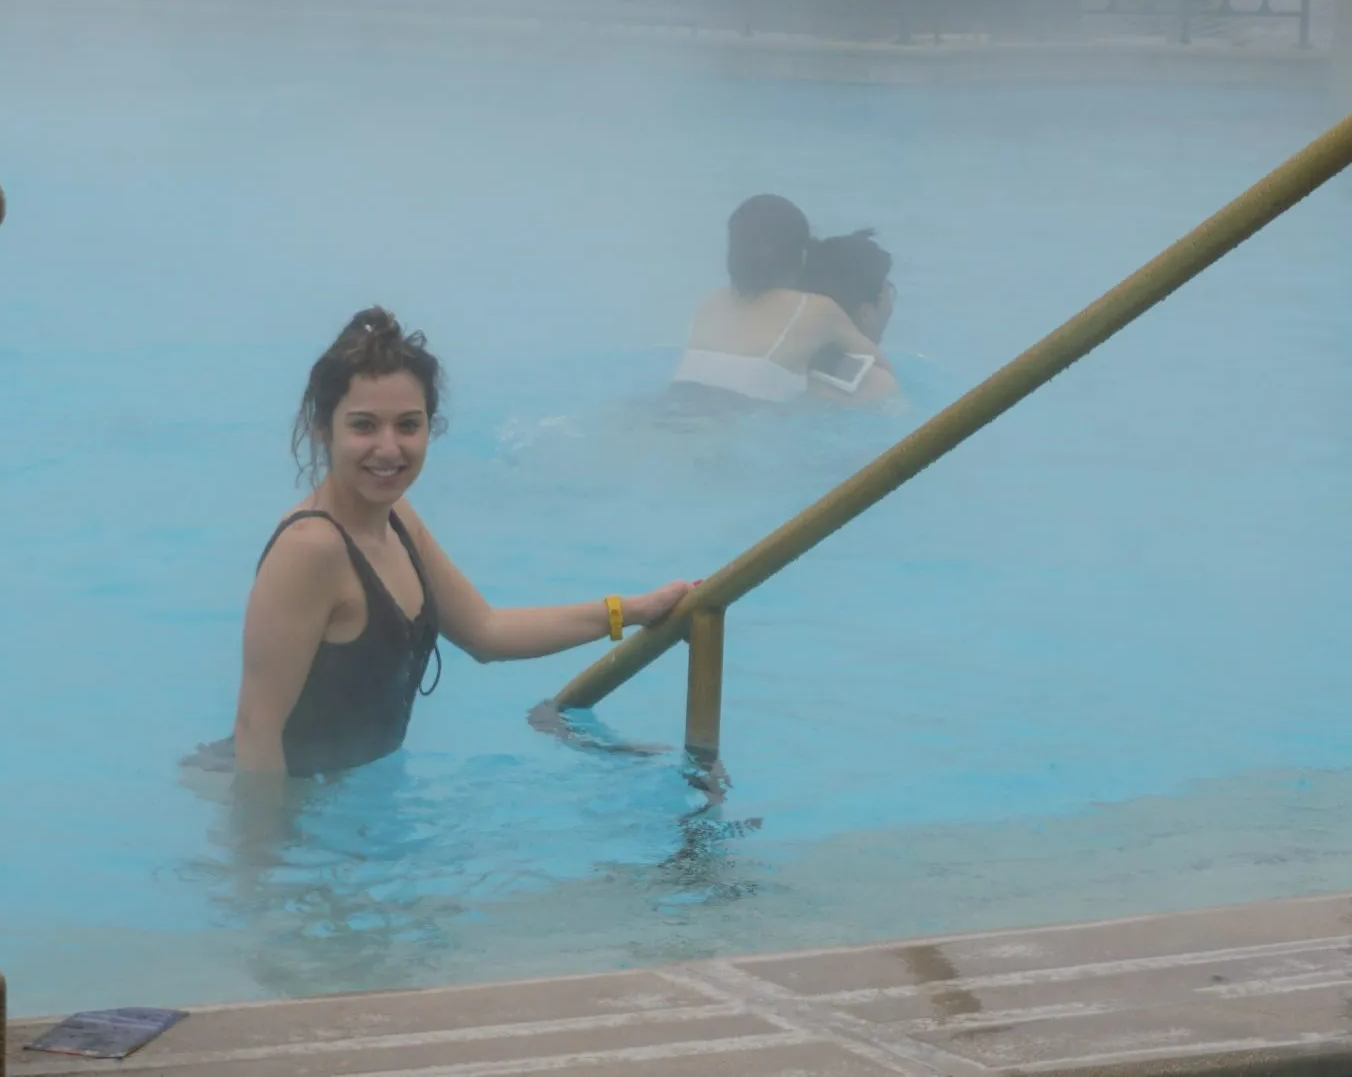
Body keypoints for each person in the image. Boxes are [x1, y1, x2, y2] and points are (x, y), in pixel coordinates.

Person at [228, 309, 697, 777]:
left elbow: (487, 633)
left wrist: (632, 611)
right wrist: (266, 850)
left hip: (347, 800)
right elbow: (256, 730)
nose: (390, 449)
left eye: (408, 425)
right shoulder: (312, 549)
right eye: (364, 426)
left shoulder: (396, 521)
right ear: (323, 430)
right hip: (290, 808)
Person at [672, 196, 898, 408]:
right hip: (741, 419)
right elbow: (881, 366)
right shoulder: (813, 308)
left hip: (675, 403)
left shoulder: (711, 301)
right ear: (802, 257)